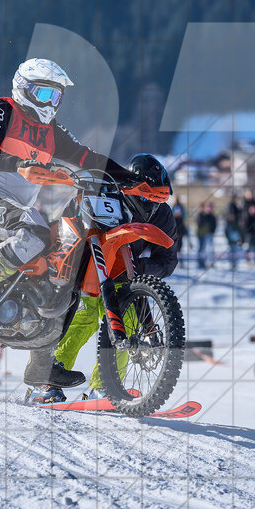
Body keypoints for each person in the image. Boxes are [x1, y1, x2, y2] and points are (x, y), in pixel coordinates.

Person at [0, 58, 135, 391]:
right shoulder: (1, 111)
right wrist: (19, 165)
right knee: (35, 232)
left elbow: (87, 157)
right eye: (42, 93)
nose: (50, 103)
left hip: (21, 210)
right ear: (23, 89)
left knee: (61, 273)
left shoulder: (52, 133)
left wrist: (129, 178)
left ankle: (41, 368)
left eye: (56, 97)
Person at [44, 154, 179, 404]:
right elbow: (67, 229)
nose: (152, 206)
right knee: (82, 321)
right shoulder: (104, 197)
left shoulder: (163, 216)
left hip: (123, 273)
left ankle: (103, 388)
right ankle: (46, 383)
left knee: (125, 328)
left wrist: (140, 267)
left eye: (158, 200)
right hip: (85, 268)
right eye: (147, 198)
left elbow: (168, 261)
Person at [195, 203, 217, 269]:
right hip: (201, 234)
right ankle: (200, 263)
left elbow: (214, 225)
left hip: (207, 234)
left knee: (208, 249)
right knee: (201, 249)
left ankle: (208, 263)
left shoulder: (207, 215)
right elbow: (199, 224)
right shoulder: (200, 215)